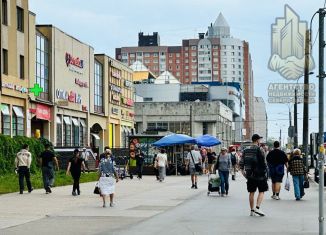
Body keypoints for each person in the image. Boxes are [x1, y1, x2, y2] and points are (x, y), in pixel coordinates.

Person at [239, 134, 268, 217]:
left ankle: (252, 211)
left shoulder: (245, 150)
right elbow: (264, 163)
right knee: (261, 191)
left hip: (249, 174)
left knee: (251, 192)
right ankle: (257, 207)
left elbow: (241, 163)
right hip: (260, 174)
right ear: (257, 140)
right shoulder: (261, 150)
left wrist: (243, 172)